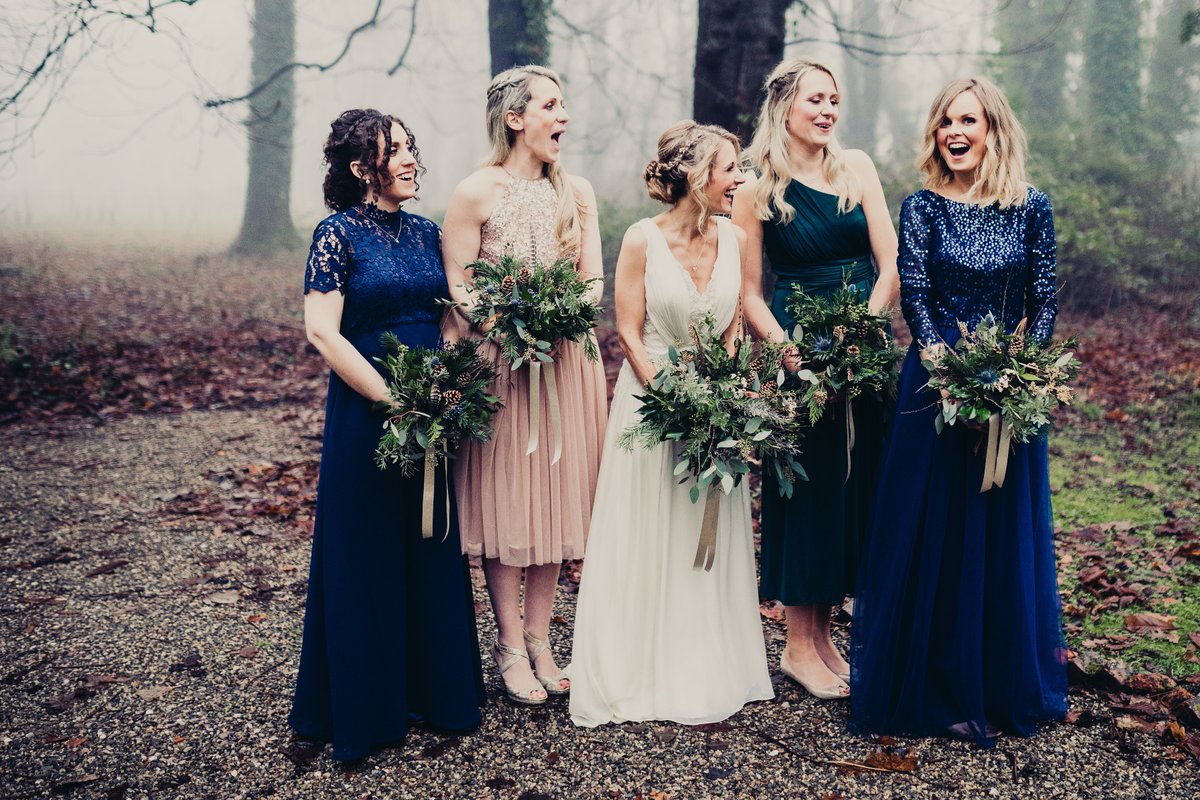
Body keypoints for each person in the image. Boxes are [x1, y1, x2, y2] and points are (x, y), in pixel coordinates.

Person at [849, 77, 1067, 745]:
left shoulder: (1031, 207)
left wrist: (1016, 378)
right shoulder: (922, 208)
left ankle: (999, 684)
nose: (955, 131)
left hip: (1009, 389)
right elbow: (915, 293)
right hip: (934, 389)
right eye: (946, 120)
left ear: (994, 129)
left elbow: (1044, 298)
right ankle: (938, 687)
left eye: (968, 120)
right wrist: (948, 372)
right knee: (935, 534)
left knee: (998, 533)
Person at [289, 109, 485, 761]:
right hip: (367, 414)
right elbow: (323, 331)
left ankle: (437, 693)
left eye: (409, 148)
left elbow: (450, 317)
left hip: (432, 407)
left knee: (429, 541)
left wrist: (449, 380)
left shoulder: (429, 233)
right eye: (393, 150)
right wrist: (393, 399)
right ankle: (365, 709)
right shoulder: (336, 235)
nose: (409, 159)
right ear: (358, 167)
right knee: (366, 551)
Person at [569, 120, 774, 727]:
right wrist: (673, 403)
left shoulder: (736, 238)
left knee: (699, 533)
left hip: (715, 404)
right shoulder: (640, 239)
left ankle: (707, 662)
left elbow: (735, 325)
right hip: (650, 407)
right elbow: (628, 333)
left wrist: (728, 396)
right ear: (694, 176)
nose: (741, 179)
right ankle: (637, 667)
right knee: (648, 530)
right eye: (730, 169)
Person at [732, 58, 900, 700]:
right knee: (809, 493)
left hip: (866, 344)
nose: (828, 111)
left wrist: (863, 330)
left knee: (855, 490)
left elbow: (889, 265)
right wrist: (791, 356)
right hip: (801, 352)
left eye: (835, 99)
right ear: (784, 108)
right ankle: (798, 647)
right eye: (816, 100)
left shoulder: (856, 166)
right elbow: (750, 293)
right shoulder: (756, 190)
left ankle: (826, 639)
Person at [441, 66, 607, 705]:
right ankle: (508, 644)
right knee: (509, 502)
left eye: (564, 106)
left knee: (555, 502)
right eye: (551, 106)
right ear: (515, 119)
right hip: (502, 365)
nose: (563, 117)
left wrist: (560, 314)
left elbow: (592, 279)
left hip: (566, 362)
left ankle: (542, 638)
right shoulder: (475, 192)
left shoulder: (579, 193)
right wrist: (506, 322)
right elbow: (457, 281)